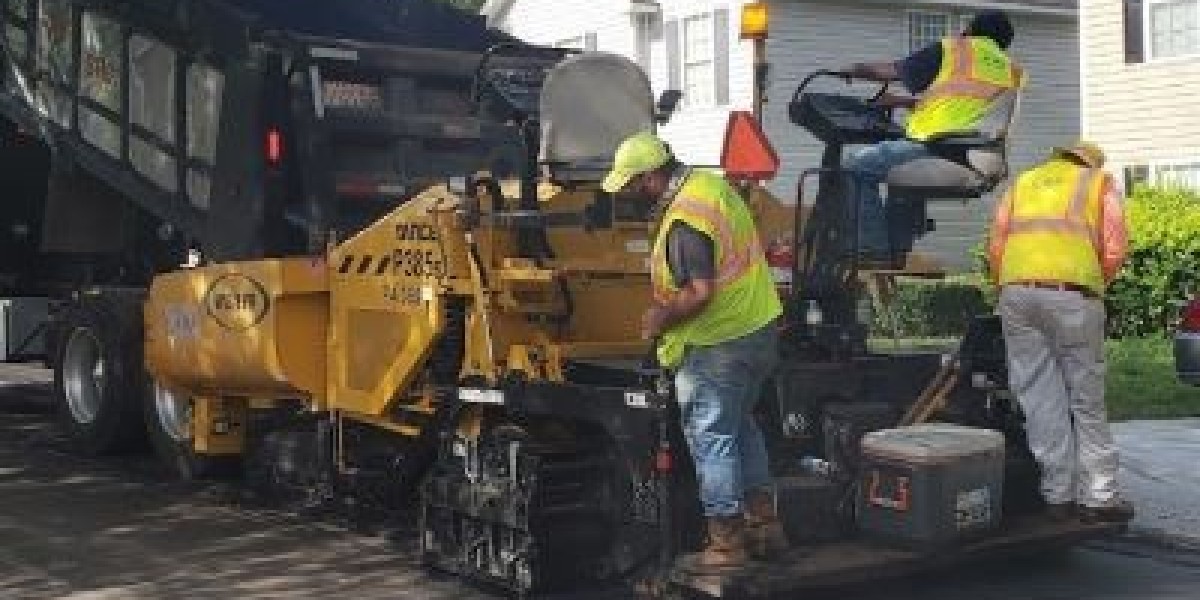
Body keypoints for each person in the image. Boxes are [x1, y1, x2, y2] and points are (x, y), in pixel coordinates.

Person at [601, 132, 784, 570]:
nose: (627, 195)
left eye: (630, 185)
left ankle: (726, 542)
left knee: (711, 436)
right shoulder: (710, 188)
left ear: (650, 177)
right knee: (741, 427)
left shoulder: (684, 220)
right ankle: (765, 527)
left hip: (718, 343)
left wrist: (661, 319)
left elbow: (700, 291)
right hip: (758, 330)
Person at [987, 141, 1135, 524]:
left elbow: (997, 245)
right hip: (1073, 297)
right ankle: (1099, 498)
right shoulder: (1099, 183)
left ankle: (1057, 496)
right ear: (1090, 163)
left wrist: (1007, 286)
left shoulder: (1024, 183)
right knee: (1086, 399)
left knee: (1040, 398)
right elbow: (1115, 248)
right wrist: (1093, 285)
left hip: (1017, 294)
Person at [840, 9, 1024, 258]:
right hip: (981, 158)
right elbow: (964, 108)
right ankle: (895, 251)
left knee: (855, 166)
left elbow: (894, 71)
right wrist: (902, 102)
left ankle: (871, 250)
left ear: (969, 30)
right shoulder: (1011, 71)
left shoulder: (955, 50)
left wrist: (854, 69)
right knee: (896, 166)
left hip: (940, 149)